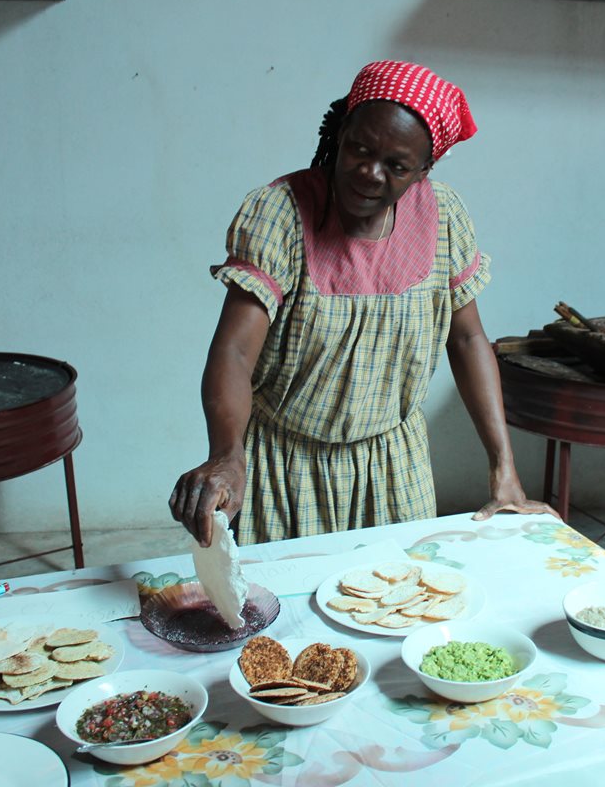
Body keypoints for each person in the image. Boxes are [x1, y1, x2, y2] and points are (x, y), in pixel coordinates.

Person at [171, 60, 557, 547]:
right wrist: (228, 455)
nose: (371, 174)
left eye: (397, 166)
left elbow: (467, 337)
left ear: (423, 170)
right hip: (285, 465)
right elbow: (234, 352)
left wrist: (504, 466)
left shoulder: (444, 218)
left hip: (394, 465)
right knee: (282, 614)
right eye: (359, 149)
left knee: (397, 604)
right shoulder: (281, 214)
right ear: (340, 130)